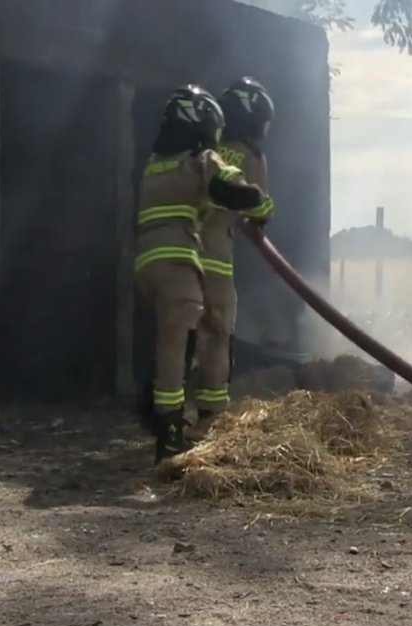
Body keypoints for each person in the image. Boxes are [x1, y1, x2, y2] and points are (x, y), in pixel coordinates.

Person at [134, 85, 268, 464]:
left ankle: (165, 422)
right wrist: (254, 197)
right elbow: (236, 191)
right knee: (179, 347)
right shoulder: (200, 160)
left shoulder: (156, 164)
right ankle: (171, 435)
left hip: (148, 266)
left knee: (175, 344)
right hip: (179, 265)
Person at [187, 77, 277, 442]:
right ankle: (211, 418)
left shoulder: (202, 151)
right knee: (218, 333)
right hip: (215, 260)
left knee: (183, 334)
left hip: (180, 255)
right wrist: (262, 214)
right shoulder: (251, 157)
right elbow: (260, 207)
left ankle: (174, 415)